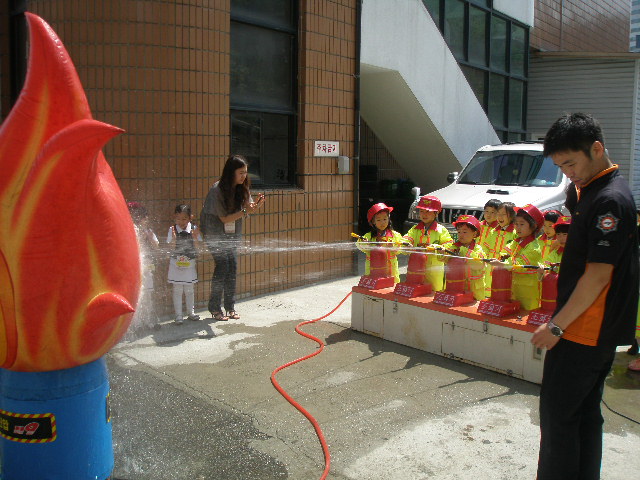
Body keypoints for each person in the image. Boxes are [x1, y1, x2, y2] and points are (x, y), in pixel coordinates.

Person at [531, 113, 639, 479]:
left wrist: (556, 327)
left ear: (596, 148)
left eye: (571, 164)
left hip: (584, 329)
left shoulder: (609, 200)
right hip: (590, 327)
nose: (568, 173)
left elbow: (598, 275)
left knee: (559, 418)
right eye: (561, 167)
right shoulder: (594, 190)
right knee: (584, 415)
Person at [200, 155, 265, 321]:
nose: (244, 176)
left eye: (246, 172)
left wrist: (254, 206)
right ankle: (215, 308)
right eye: (240, 173)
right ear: (231, 172)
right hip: (214, 233)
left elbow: (246, 208)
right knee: (223, 266)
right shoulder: (217, 190)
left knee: (232, 267)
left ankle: (230, 307)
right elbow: (224, 218)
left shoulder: (242, 188)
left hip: (231, 235)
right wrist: (245, 211)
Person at [495, 204, 544, 311]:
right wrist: (501, 258)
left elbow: (519, 265)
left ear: (533, 226)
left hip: (527, 292)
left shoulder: (534, 248)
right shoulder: (517, 241)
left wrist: (502, 263)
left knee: (525, 314)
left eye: (522, 224)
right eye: (516, 224)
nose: (517, 227)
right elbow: (505, 252)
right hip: (514, 287)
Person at [403, 195, 453, 291]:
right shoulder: (415, 229)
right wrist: (405, 243)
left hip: (434, 271)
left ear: (436, 213)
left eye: (428, 211)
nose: (424, 214)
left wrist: (438, 247)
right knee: (415, 291)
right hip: (416, 269)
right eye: (421, 211)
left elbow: (449, 245)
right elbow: (407, 238)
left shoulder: (441, 230)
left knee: (434, 292)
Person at [167, 204, 203, 325]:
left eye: (184, 219)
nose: (181, 222)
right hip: (176, 264)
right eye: (178, 219)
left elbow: (198, 248)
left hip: (189, 264)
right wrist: (174, 239)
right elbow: (171, 248)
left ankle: (190, 312)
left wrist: (195, 238)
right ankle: (178, 315)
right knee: (177, 289)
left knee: (189, 289)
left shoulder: (194, 228)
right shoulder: (172, 229)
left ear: (190, 217)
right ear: (174, 217)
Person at [356, 203, 404, 283]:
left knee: (391, 287)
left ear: (389, 219)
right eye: (378, 220)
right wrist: (365, 243)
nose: (382, 222)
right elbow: (360, 246)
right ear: (373, 222)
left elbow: (401, 248)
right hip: (373, 270)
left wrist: (394, 247)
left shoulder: (395, 235)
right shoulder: (369, 236)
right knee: (375, 287)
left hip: (390, 270)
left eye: (385, 219)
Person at [449, 214, 485, 300]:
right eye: (459, 232)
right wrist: (441, 251)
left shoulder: (478, 249)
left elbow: (478, 264)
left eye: (465, 232)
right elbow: (444, 258)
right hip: (458, 289)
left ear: (474, 234)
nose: (461, 235)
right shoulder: (454, 247)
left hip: (475, 293)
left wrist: (463, 250)